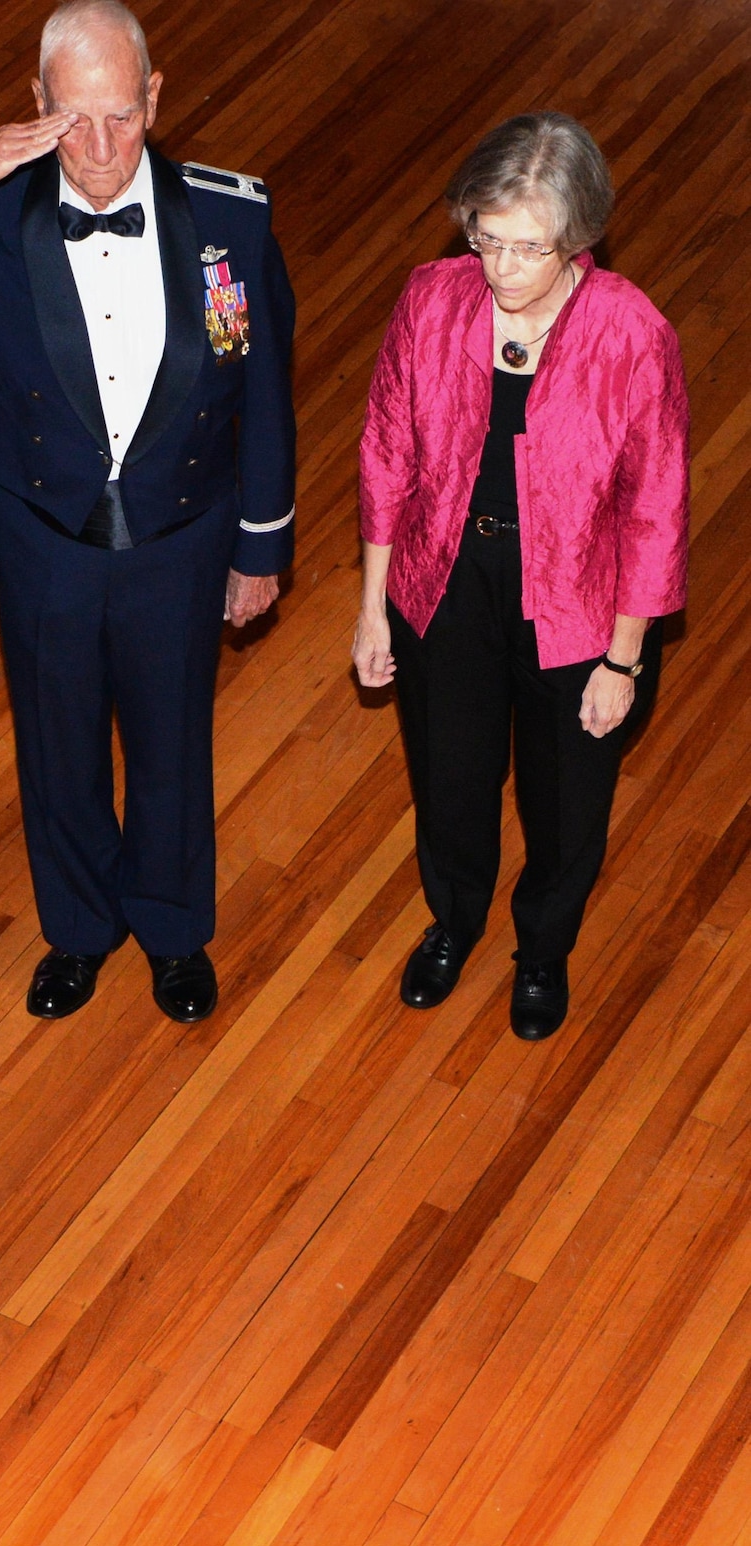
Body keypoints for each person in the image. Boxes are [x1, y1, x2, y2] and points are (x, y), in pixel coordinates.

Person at [0, 0, 295, 1024]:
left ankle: (171, 929)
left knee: (173, 746)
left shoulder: (231, 219)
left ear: (155, 99)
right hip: (46, 543)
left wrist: (261, 543)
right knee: (56, 744)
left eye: (121, 115)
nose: (100, 147)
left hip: (183, 536)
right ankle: (78, 929)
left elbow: (264, 392)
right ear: (34, 106)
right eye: (73, 119)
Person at [354, 113, 690, 1039]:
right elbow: (386, 451)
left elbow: (656, 509)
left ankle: (541, 950)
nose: (498, 268)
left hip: (578, 609)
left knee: (563, 801)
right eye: (483, 236)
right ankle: (452, 921)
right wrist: (373, 609)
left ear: (579, 240)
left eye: (526, 248)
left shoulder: (631, 335)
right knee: (450, 780)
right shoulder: (430, 298)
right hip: (443, 584)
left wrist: (622, 662)